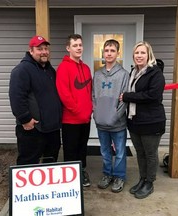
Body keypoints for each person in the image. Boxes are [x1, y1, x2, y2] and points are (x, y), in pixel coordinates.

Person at [120, 41, 166, 199]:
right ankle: (142, 179)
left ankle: (149, 182)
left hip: (151, 122)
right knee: (139, 152)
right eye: (136, 53)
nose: (139, 56)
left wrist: (127, 96)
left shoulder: (155, 73)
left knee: (150, 153)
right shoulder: (133, 72)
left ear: (149, 55)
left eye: (142, 53)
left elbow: (152, 96)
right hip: (135, 121)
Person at [9, 35, 62, 165]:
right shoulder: (22, 70)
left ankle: (47, 186)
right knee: (29, 162)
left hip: (51, 128)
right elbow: (16, 97)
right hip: (33, 128)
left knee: (50, 161)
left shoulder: (50, 70)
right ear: (31, 51)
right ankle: (26, 186)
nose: (44, 52)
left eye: (46, 48)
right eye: (39, 49)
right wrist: (25, 119)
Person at [92, 39, 129, 193]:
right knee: (105, 151)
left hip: (117, 123)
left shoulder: (123, 74)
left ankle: (119, 176)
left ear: (117, 53)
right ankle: (107, 174)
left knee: (120, 151)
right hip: (101, 122)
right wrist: (96, 114)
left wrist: (115, 116)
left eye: (112, 50)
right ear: (103, 53)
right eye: (106, 50)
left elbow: (124, 99)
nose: (109, 53)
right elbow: (93, 96)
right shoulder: (98, 74)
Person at [56, 34, 93, 187]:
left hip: (85, 118)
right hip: (71, 119)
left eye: (80, 45)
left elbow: (89, 92)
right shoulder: (63, 67)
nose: (78, 48)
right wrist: (78, 110)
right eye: (75, 45)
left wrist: (89, 109)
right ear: (68, 48)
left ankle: (82, 171)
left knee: (82, 147)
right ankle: (70, 178)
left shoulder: (86, 68)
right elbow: (64, 94)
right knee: (71, 150)